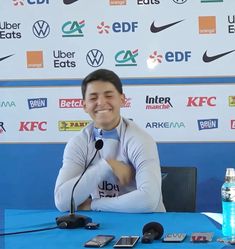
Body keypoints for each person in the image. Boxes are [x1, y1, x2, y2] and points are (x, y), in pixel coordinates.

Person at [54, 69, 165, 213]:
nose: (101, 102)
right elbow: (62, 202)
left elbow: (148, 201)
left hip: (145, 224)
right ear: (84, 105)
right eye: (93, 98)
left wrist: (94, 205)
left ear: (122, 99)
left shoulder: (140, 140)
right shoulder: (78, 143)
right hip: (101, 224)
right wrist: (106, 166)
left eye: (109, 95)